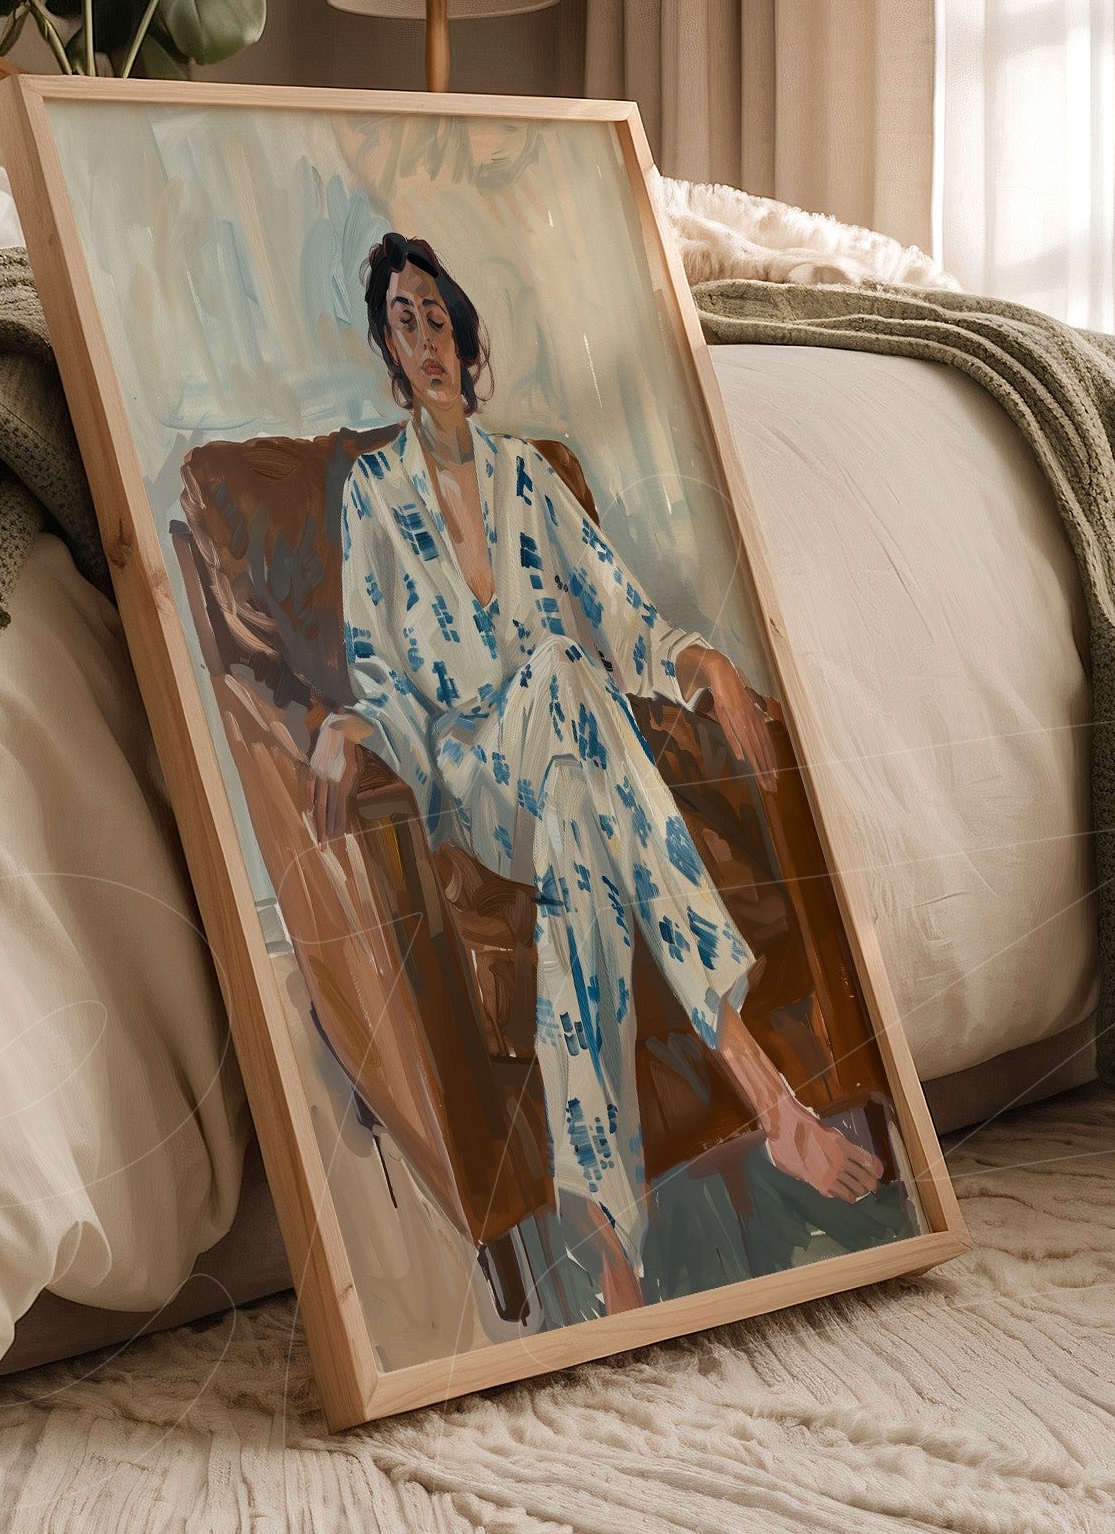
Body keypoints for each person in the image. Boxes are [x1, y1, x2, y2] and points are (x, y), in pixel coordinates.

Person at [306, 231, 881, 1313]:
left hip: (560, 768)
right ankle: (764, 1091)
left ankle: (606, 1227)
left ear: (465, 339)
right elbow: (378, 670)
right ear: (386, 347)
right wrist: (345, 726)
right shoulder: (369, 496)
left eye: (436, 315)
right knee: (564, 675)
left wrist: (695, 658)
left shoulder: (530, 475)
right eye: (402, 319)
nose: (422, 337)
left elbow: (619, 613)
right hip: (470, 779)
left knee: (577, 807)